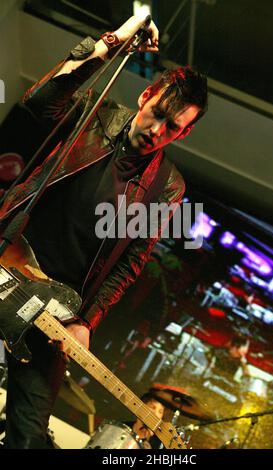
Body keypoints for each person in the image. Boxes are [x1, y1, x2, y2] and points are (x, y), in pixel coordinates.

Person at [0, 14, 208, 448]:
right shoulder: (93, 110)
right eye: (156, 114)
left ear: (186, 133)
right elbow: (39, 102)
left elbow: (130, 264)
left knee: (28, 434)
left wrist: (86, 323)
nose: (156, 131)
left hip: (56, 307)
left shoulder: (167, 186)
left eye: (172, 127)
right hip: (6, 258)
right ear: (146, 94)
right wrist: (119, 37)